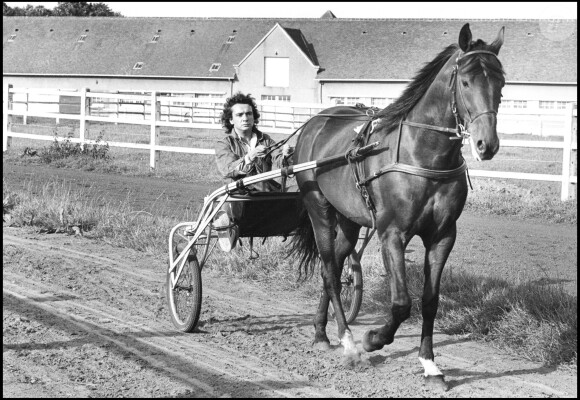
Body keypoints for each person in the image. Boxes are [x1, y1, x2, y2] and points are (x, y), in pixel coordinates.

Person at [213, 92, 292, 252]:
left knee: (301, 192)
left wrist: (286, 155)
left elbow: (280, 162)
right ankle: (226, 224)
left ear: (254, 117)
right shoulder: (224, 144)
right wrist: (250, 156)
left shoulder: (266, 140)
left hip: (265, 194)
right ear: (230, 120)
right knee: (234, 198)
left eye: (249, 113)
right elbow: (228, 170)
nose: (245, 118)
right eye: (239, 114)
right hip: (239, 194)